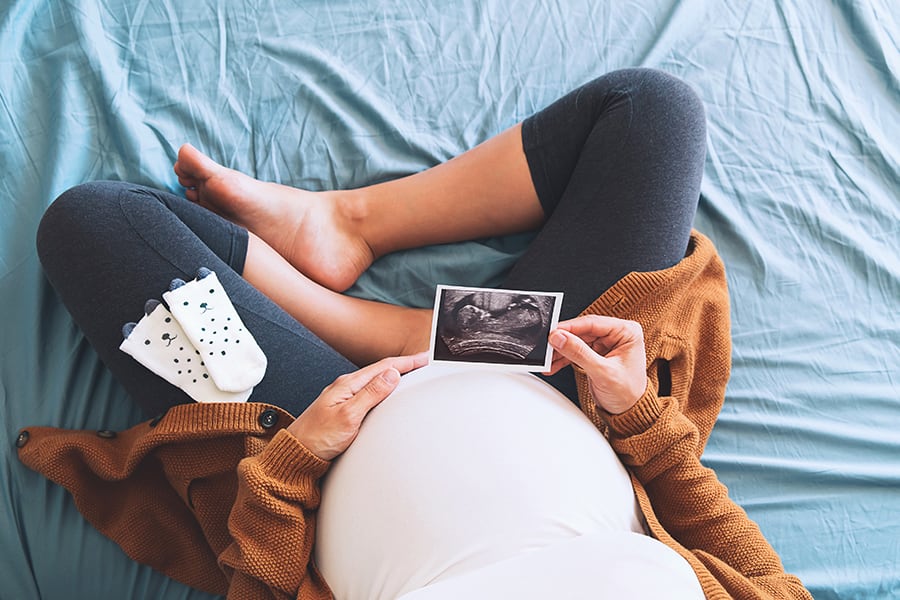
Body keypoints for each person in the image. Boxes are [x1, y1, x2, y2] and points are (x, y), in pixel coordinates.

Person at [22, 69, 812, 599]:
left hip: (315, 431)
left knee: (95, 223)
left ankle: (390, 329)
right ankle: (354, 228)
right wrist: (639, 413)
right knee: (652, 114)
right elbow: (755, 573)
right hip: (565, 380)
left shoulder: (307, 448)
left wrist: (298, 461)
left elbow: (261, 583)